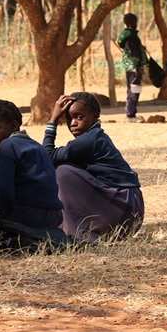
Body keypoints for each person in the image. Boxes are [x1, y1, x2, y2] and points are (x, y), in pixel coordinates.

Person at [44, 92, 144, 242]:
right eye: (69, 118)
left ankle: (78, 236)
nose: (73, 123)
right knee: (64, 169)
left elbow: (47, 157)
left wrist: (53, 121)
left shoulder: (89, 140)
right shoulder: (95, 136)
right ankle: (74, 230)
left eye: (79, 117)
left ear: (95, 116)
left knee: (63, 172)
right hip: (129, 210)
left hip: (125, 207)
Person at [0, 100, 64, 241]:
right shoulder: (36, 146)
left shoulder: (7, 146)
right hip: (53, 217)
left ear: (13, 125)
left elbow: (4, 194)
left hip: (28, 217)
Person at [115, 14, 148, 121]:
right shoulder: (129, 34)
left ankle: (131, 113)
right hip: (134, 65)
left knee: (133, 88)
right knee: (134, 89)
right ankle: (130, 114)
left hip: (132, 65)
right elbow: (126, 46)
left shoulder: (130, 35)